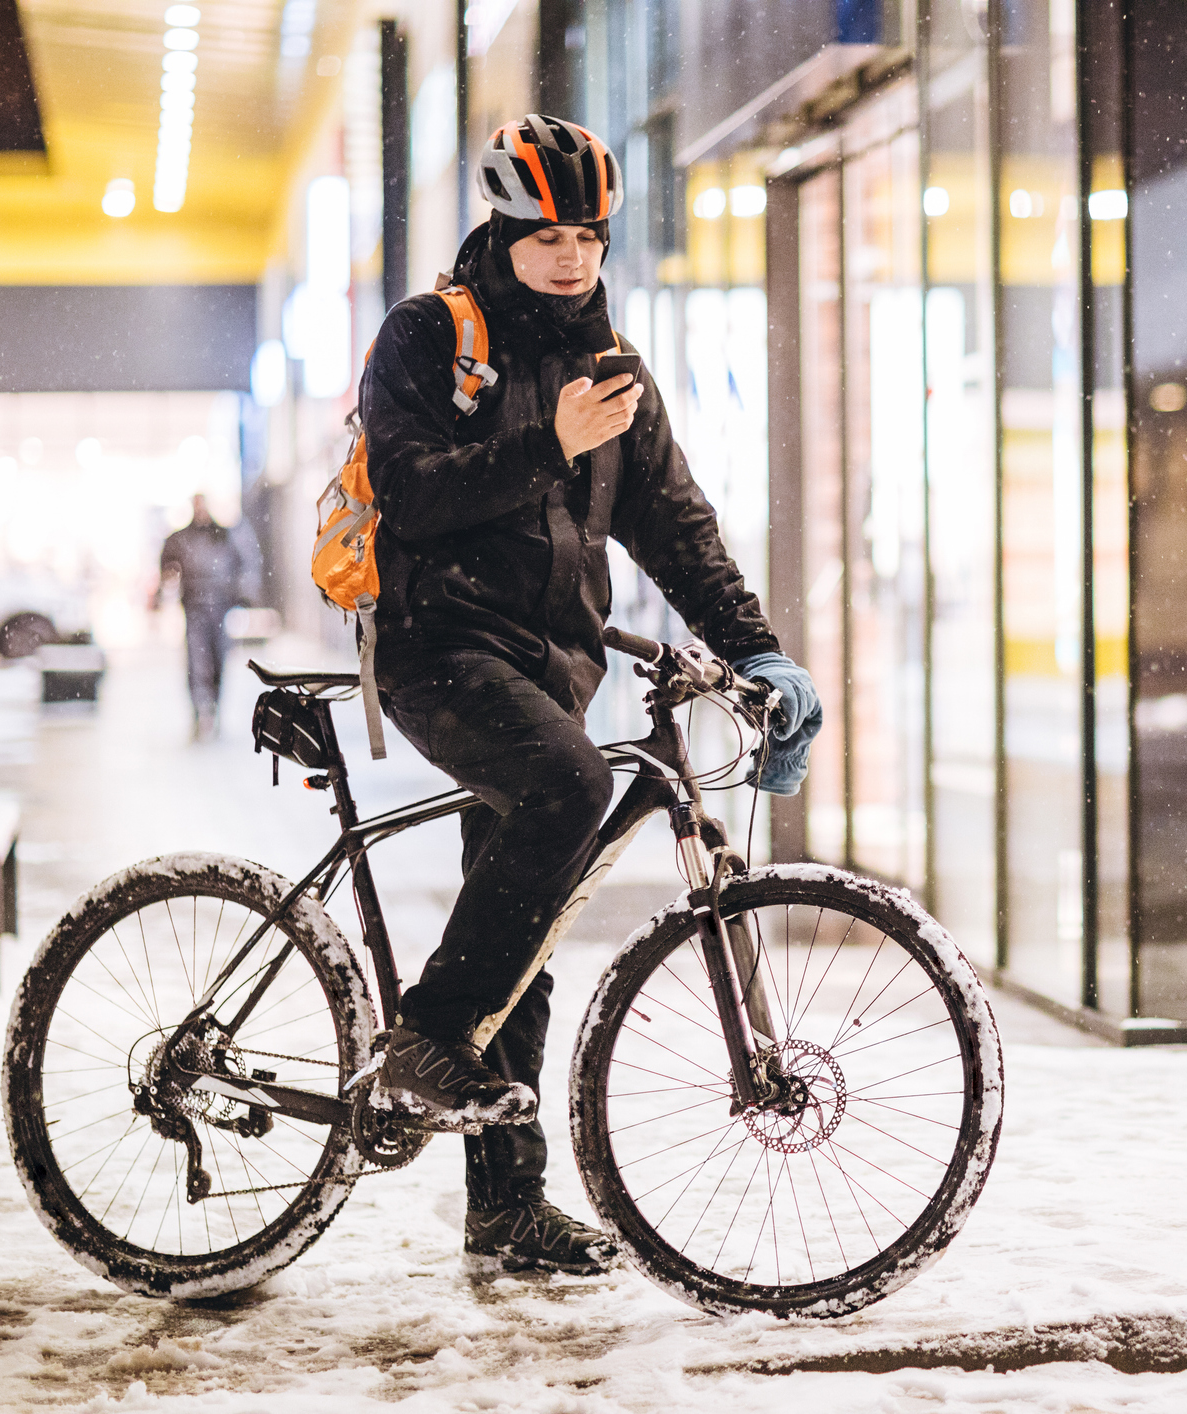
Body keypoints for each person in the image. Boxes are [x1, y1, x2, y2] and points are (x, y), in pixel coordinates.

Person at [356, 115, 821, 1278]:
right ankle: (422, 1039)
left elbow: (677, 526)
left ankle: (507, 1209)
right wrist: (547, 443)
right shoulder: (429, 337)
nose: (572, 258)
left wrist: (760, 654)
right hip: (436, 651)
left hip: (549, 667)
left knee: (528, 934)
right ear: (504, 234)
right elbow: (410, 495)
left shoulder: (613, 368)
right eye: (548, 237)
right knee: (570, 785)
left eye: (590, 237)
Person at [153, 494, 245, 740]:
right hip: (194, 608)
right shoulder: (182, 538)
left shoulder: (223, 535)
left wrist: (238, 593)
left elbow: (241, 563)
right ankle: (198, 710)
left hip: (219, 607)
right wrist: (163, 589)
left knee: (218, 659)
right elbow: (166, 562)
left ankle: (215, 708)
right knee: (196, 661)